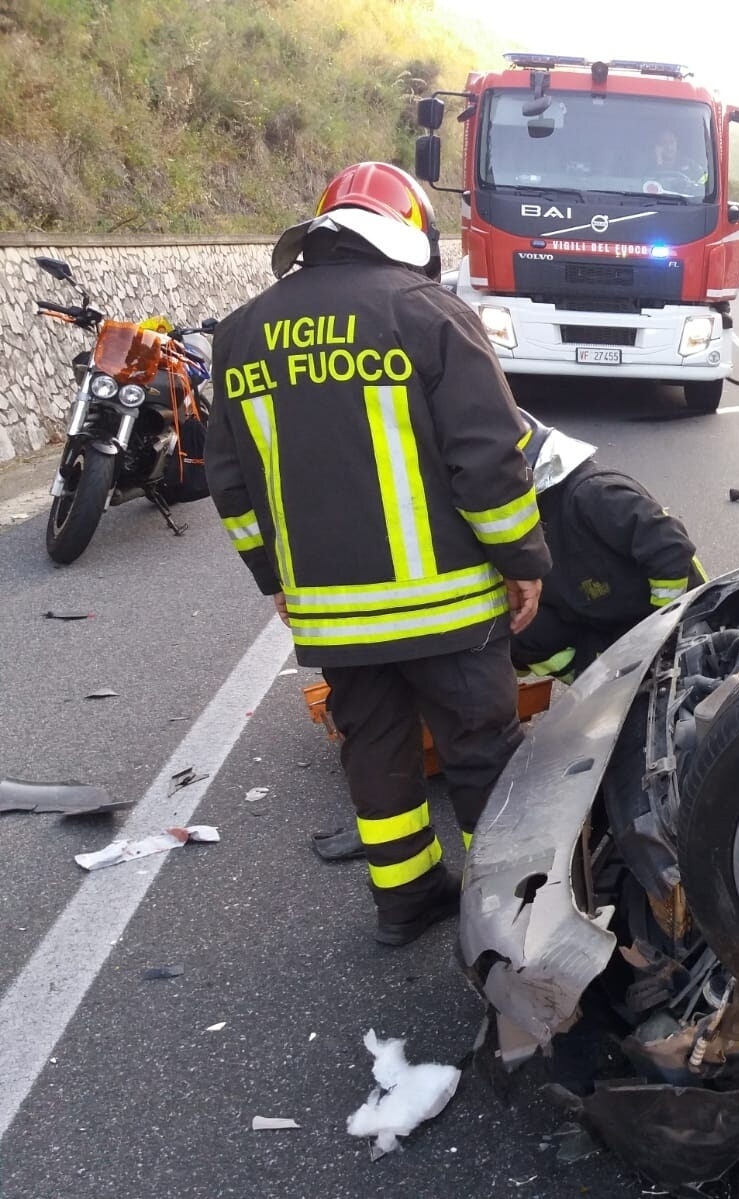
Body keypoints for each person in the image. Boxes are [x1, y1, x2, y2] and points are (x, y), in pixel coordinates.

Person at [206, 161, 553, 947]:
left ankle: (404, 899)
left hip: (334, 615)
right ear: (410, 236)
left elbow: (231, 484)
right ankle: (506, 914)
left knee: (379, 751)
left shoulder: (241, 334)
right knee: (478, 754)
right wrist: (522, 558)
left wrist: (276, 580)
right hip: (450, 608)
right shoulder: (428, 315)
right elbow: (488, 459)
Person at [508, 410, 706, 683]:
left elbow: (670, 550)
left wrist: (660, 633)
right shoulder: (522, 522)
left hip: (663, 614)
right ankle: (593, 686)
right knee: (520, 631)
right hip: (602, 623)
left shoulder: (594, 494)